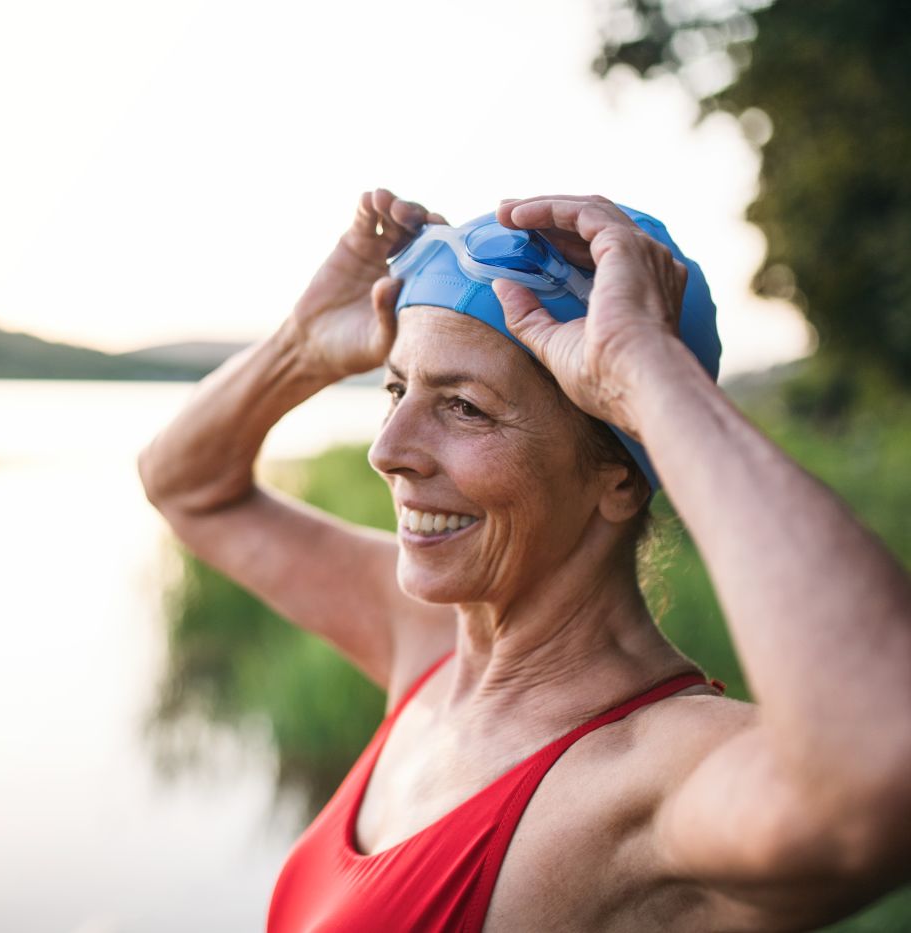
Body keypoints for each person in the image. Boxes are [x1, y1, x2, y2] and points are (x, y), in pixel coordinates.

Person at [137, 189, 911, 931]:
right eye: (396, 389)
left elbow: (882, 755)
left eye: (464, 406)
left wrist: (642, 369)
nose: (387, 451)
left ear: (616, 477)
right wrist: (300, 348)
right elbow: (187, 485)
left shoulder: (649, 778)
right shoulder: (433, 644)